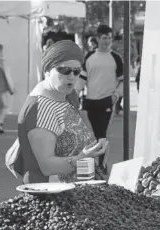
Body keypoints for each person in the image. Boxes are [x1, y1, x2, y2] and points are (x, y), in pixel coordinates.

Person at [17, 40, 108, 184]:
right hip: (52, 193)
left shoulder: (66, 95)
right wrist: (81, 158)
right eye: (64, 70)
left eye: (77, 71)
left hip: (77, 189)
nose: (71, 76)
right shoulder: (41, 107)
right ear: (47, 70)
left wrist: (93, 146)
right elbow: (47, 166)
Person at [75, 25, 123, 173]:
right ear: (98, 38)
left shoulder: (116, 58)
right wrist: (74, 94)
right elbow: (82, 78)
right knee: (96, 135)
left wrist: (116, 95)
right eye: (104, 38)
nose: (107, 41)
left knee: (102, 134)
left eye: (109, 38)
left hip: (107, 101)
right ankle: (98, 163)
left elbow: (122, 81)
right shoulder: (89, 57)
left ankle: (102, 165)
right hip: (91, 102)